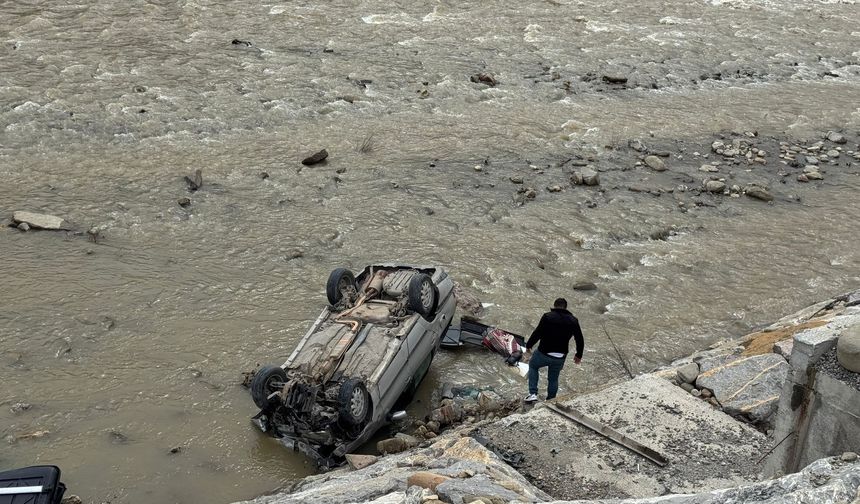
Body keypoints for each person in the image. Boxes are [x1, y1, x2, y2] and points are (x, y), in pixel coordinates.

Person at [524, 298, 584, 402]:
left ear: (554, 306)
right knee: (553, 378)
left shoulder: (547, 317)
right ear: (565, 307)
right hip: (560, 356)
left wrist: (529, 345)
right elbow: (579, 339)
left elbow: (537, 332)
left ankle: (532, 393)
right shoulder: (573, 320)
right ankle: (551, 400)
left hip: (544, 352)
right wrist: (578, 355)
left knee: (533, 366)